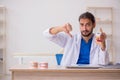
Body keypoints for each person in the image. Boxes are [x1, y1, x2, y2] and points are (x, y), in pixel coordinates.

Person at [43, 12, 109, 66]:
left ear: (94, 25)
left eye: (88, 25)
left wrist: (103, 45)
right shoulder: (70, 38)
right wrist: (60, 28)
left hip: (91, 74)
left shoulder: (100, 39)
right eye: (82, 25)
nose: (84, 28)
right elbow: (47, 35)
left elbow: (104, 63)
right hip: (72, 74)